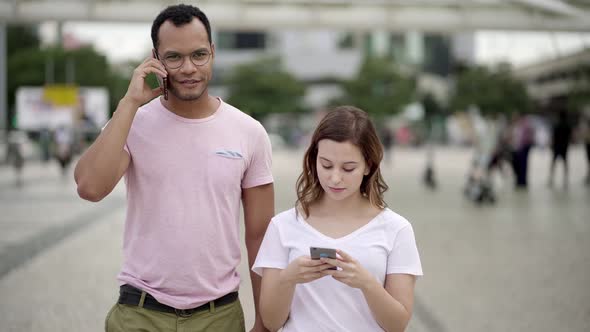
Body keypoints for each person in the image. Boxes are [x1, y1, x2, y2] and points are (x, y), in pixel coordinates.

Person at [74, 4, 274, 332]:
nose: (188, 68)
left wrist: (265, 321)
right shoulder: (133, 123)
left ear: (212, 52)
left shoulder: (249, 132)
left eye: (198, 55)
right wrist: (128, 104)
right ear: (155, 58)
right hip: (139, 312)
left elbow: (260, 234)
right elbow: (90, 188)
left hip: (219, 316)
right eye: (174, 57)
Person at [252, 106, 423, 332]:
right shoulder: (283, 225)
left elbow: (398, 324)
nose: (335, 178)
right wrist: (288, 279)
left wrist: (367, 283)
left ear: (368, 165)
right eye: (326, 165)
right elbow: (272, 323)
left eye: (348, 168)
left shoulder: (396, 229)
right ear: (313, 160)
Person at [548, 109, 572, 188]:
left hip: (557, 147)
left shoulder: (557, 125)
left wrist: (551, 145)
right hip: (564, 147)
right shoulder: (567, 125)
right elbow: (570, 137)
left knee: (554, 163)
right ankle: (565, 180)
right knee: (565, 163)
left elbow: (553, 137)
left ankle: (551, 179)